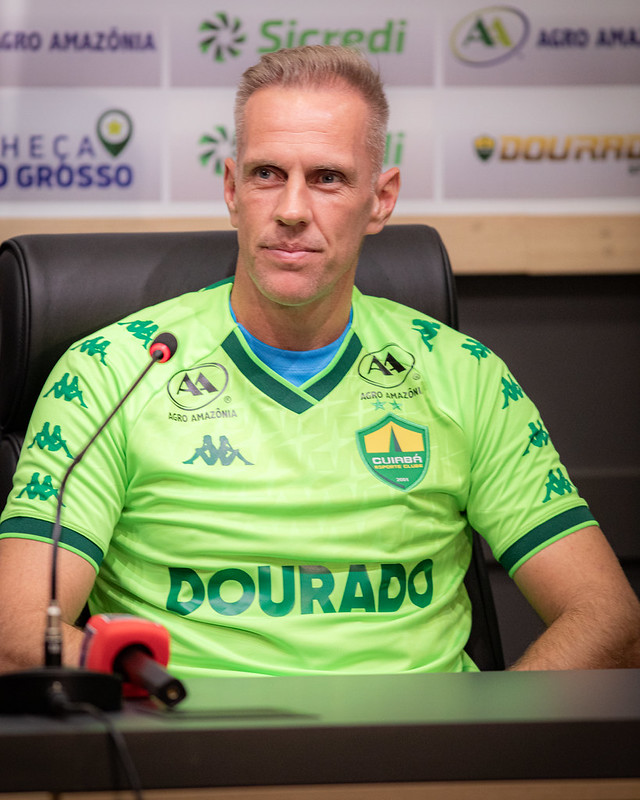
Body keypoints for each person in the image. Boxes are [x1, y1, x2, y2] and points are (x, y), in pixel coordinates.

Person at [0, 46, 638, 678]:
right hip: (192, 757)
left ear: (381, 199)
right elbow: (18, 633)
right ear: (231, 189)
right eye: (266, 174)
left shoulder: (464, 375)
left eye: (328, 178)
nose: (292, 210)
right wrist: (143, 693)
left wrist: (492, 742)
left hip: (423, 762)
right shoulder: (111, 373)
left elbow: (609, 616)